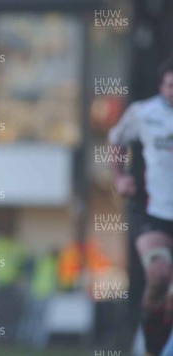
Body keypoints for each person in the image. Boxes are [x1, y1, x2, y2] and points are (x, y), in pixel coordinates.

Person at [108, 56, 173, 356]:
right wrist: (120, 177)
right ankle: (148, 348)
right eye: (171, 86)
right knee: (159, 276)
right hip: (152, 210)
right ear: (162, 86)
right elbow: (116, 140)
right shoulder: (143, 113)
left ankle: (155, 343)